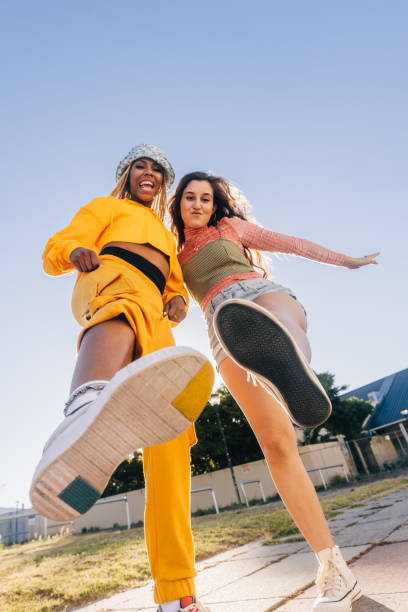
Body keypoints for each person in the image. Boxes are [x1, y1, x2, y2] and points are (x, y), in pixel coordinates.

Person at [169, 171, 379, 612]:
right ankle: (333, 569)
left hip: (261, 295)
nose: (198, 204)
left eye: (206, 198)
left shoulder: (232, 228)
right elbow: (172, 301)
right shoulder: (173, 252)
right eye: (190, 197)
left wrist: (348, 261)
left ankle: (294, 370)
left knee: (285, 325)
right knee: (276, 446)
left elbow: (294, 244)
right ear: (179, 203)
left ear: (216, 204)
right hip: (224, 328)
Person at [30, 147, 214, 612]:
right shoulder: (106, 207)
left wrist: (179, 302)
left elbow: (174, 285)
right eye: (140, 167)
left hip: (156, 316)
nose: (148, 173)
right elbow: (57, 248)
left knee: (171, 441)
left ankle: (177, 595)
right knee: (124, 305)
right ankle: (83, 409)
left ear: (163, 183)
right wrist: (75, 251)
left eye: (156, 170)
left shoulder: (168, 235)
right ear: (127, 176)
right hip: (108, 280)